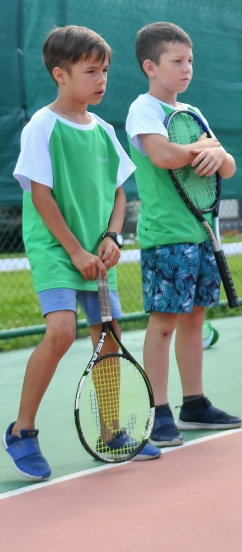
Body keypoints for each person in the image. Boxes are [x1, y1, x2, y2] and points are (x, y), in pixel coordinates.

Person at [5, 26, 158, 480]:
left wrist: (112, 238)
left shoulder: (105, 131)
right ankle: (21, 430)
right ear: (61, 75)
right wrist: (74, 252)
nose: (101, 79)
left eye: (105, 70)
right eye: (91, 71)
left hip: (98, 254)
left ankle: (111, 432)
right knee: (60, 332)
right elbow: (40, 196)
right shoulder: (42, 125)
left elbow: (119, 193)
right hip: (57, 250)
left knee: (108, 339)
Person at [125, 22, 242, 448]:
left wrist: (216, 153)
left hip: (202, 233)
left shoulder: (192, 112)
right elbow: (162, 154)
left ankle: (194, 404)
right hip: (166, 236)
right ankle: (158, 411)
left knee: (195, 319)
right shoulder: (144, 109)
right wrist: (204, 150)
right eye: (177, 61)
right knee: (164, 324)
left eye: (189, 60)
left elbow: (228, 166)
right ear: (150, 66)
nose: (187, 68)